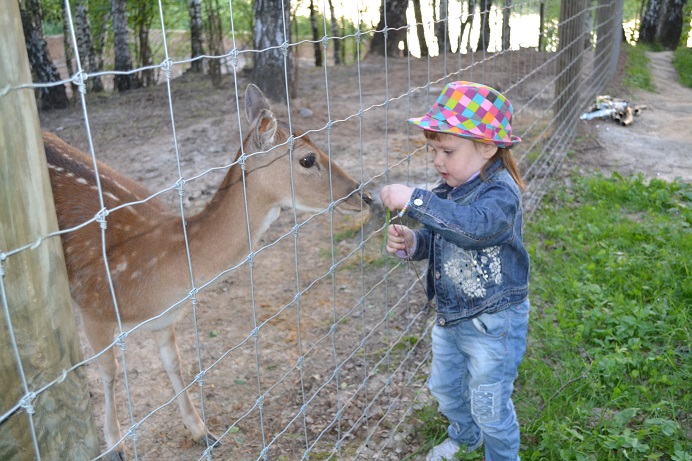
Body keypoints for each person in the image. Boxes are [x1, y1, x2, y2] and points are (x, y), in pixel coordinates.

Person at [379, 81, 530, 461]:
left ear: (487, 147)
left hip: (494, 323)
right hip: (451, 317)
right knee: (446, 389)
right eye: (433, 151)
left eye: (447, 151)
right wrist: (414, 243)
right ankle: (465, 436)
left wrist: (415, 200)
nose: (437, 161)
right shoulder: (448, 190)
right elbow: (440, 237)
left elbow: (475, 229)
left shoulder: (501, 194)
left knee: (490, 405)